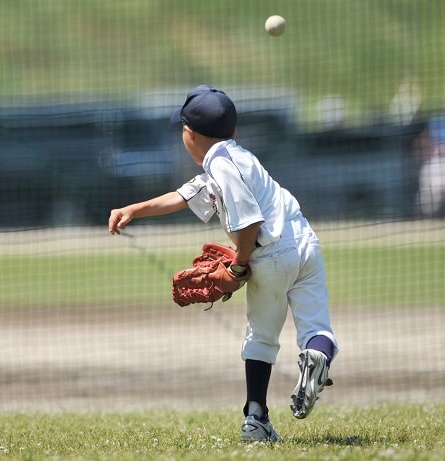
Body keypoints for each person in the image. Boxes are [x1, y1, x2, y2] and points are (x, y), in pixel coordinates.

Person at [108, 85, 339, 442]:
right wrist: (132, 210)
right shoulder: (237, 156)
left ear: (189, 134)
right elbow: (185, 196)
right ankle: (317, 356)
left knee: (261, 338)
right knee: (316, 329)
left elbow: (249, 222)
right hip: (305, 244)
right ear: (234, 131)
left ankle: (256, 419)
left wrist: (238, 266)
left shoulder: (219, 162)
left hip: (270, 254)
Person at [416, 116, 445, 217]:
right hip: (438, 163)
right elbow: (420, 144)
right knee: (429, 196)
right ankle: (423, 218)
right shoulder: (438, 120)